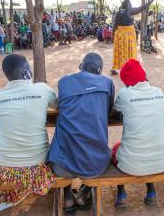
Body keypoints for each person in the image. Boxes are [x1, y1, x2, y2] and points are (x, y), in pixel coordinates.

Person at [0, 54, 58, 212]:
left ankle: (9, 194)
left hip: (5, 168)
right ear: (26, 73)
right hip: (37, 166)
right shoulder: (42, 89)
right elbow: (56, 104)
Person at [48, 53, 115, 215]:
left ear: (80, 66)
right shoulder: (107, 83)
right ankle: (84, 194)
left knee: (59, 146)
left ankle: (68, 196)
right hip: (95, 165)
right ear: (100, 71)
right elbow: (109, 109)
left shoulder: (64, 82)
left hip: (62, 166)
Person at [112, 59, 164, 207]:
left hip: (131, 165)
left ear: (127, 81)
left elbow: (117, 109)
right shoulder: (159, 92)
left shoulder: (125, 94)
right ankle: (151, 191)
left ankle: (122, 193)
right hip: (159, 162)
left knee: (117, 148)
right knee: (149, 142)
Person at [111, 0, 158, 75]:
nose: (131, 5)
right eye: (130, 4)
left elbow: (114, 26)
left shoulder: (117, 13)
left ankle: (116, 68)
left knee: (120, 51)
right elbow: (143, 7)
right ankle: (129, 69)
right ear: (128, 5)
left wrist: (113, 36)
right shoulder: (129, 11)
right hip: (128, 35)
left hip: (119, 35)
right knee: (130, 51)